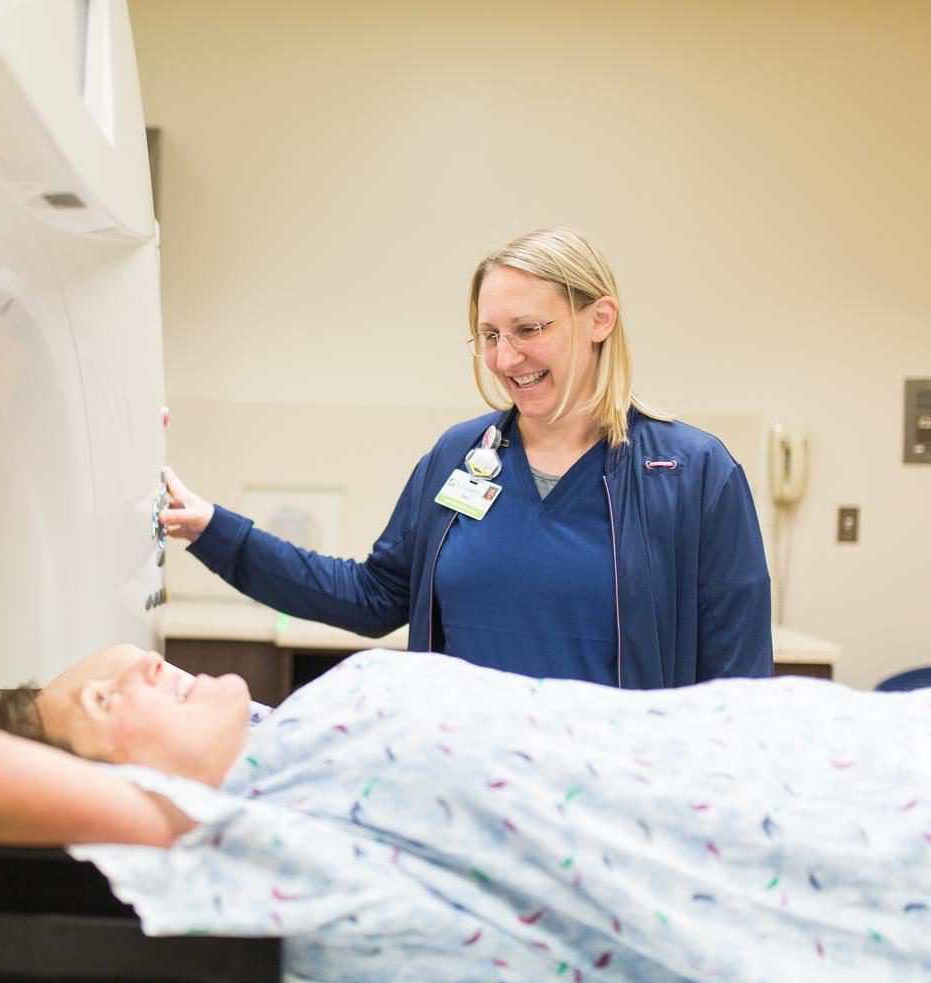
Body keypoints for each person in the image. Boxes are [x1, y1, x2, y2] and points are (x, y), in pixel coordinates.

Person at [0, 644, 931, 983]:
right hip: (906, 839)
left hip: (825, 753)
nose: (137, 662)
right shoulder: (265, 834)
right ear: (119, 802)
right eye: (101, 700)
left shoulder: (297, 727)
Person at [160, 227, 772, 688]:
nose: (506, 359)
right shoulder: (461, 455)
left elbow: (740, 689)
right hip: (467, 794)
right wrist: (218, 533)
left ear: (599, 320)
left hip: (611, 809)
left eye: (528, 330)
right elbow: (374, 596)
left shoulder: (692, 474)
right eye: (489, 336)